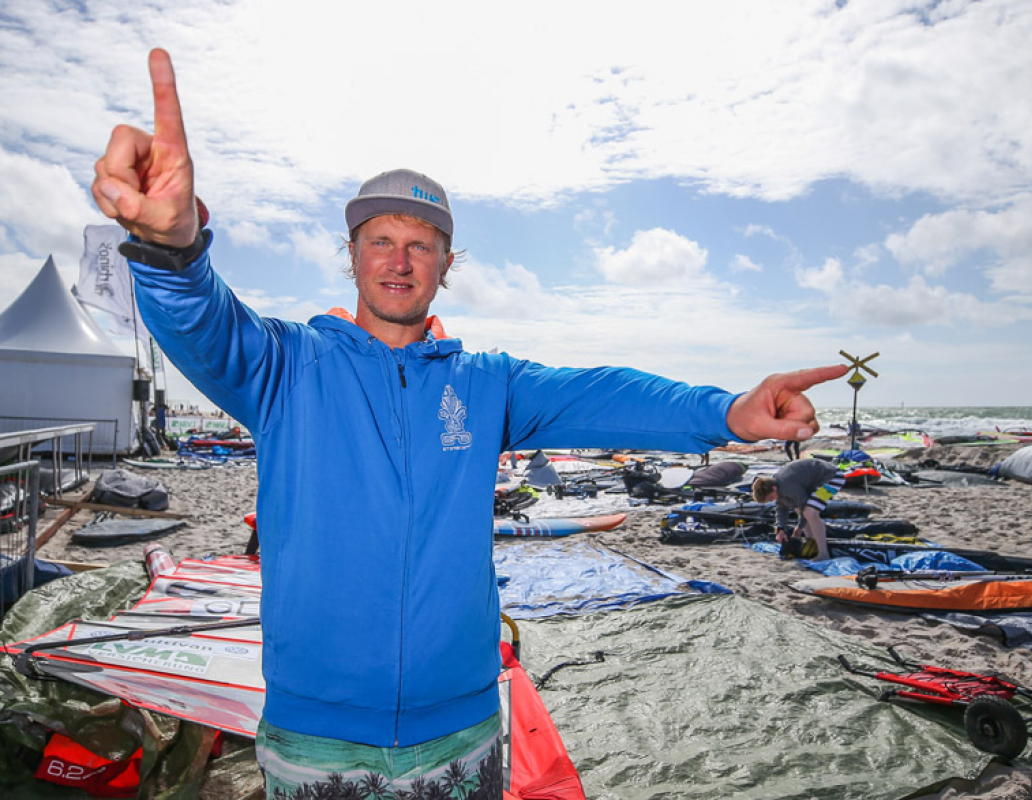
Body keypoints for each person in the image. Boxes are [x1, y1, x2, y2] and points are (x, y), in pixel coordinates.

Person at [91, 49, 849, 797]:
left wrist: (723, 411)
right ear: (350, 254)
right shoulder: (284, 366)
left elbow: (603, 391)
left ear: (447, 262)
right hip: (317, 736)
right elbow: (199, 318)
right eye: (379, 240)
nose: (398, 259)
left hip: (462, 731)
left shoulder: (486, 384)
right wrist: (169, 247)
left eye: (420, 243)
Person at [750, 459, 845, 561]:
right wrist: (780, 529)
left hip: (832, 478)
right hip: (815, 482)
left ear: (773, 488)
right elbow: (781, 508)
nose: (772, 499)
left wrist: (799, 527)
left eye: (771, 497)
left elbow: (803, 504)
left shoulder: (787, 485)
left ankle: (823, 553)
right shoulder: (778, 487)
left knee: (810, 513)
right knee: (801, 511)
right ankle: (812, 546)